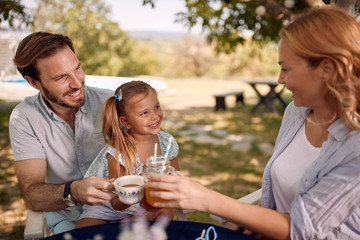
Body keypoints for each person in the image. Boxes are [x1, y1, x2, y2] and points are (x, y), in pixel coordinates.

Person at [145, 6, 360, 239]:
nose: (280, 79)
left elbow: (300, 229)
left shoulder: (355, 147)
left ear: (325, 69)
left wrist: (204, 198)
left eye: (286, 69)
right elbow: (289, 198)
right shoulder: (296, 114)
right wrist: (260, 218)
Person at [9, 32, 117, 234]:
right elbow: (32, 193)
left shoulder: (111, 103)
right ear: (34, 82)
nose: (77, 83)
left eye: (77, 69)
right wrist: (74, 190)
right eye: (61, 78)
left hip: (121, 215)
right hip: (68, 219)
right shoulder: (24, 118)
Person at [75, 81, 180, 228]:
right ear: (126, 122)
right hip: (108, 206)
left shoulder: (167, 143)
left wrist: (168, 201)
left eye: (156, 107)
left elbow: (178, 179)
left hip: (147, 207)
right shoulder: (119, 152)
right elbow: (117, 204)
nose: (155, 116)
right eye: (144, 113)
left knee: (163, 219)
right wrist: (135, 192)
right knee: (83, 232)